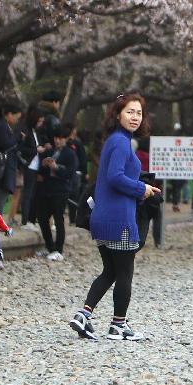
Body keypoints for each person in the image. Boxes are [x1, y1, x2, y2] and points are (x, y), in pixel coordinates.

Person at [69, 93, 161, 342]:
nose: (135, 117)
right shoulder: (121, 142)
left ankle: (83, 315)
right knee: (124, 274)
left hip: (102, 217)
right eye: (130, 112)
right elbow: (115, 177)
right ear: (117, 114)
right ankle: (118, 325)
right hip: (119, 219)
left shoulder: (113, 140)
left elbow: (114, 177)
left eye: (139, 113)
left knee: (110, 271)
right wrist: (142, 189)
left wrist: (140, 186)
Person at [37, 124, 78, 261]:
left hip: (61, 191)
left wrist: (57, 168)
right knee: (43, 218)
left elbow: (70, 173)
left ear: (65, 139)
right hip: (47, 189)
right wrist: (44, 166)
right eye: (56, 138)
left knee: (58, 219)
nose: (58, 141)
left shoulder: (70, 154)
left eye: (60, 138)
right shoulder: (50, 151)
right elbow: (42, 171)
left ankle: (58, 249)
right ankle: (50, 247)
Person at [0, 103, 22, 213]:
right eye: (17, 117)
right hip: (1, 166)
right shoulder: (2, 127)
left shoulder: (5, 127)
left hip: (4, 166)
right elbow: (5, 144)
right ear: (10, 115)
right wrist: (18, 137)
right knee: (0, 196)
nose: (17, 120)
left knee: (1, 195)